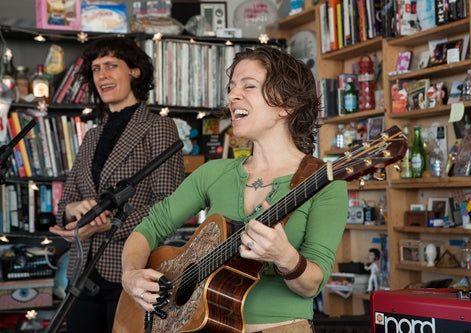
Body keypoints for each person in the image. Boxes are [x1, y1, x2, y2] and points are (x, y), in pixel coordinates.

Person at [118, 46, 348, 332]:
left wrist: (284, 257)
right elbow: (148, 228)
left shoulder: (325, 183)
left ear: (286, 104)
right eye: (231, 88)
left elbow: (311, 285)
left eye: (248, 86)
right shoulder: (213, 173)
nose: (232, 96)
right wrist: (130, 275)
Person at [49, 36, 185, 333]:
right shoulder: (91, 137)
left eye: (111, 66)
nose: (102, 75)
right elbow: (64, 204)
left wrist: (104, 225)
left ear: (134, 71)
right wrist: (76, 209)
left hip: (131, 271)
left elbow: (169, 205)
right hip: (82, 273)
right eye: (96, 69)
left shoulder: (158, 127)